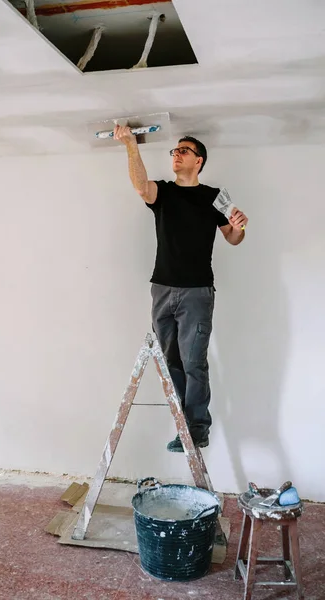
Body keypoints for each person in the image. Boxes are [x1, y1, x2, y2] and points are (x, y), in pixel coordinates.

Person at [114, 126, 248, 451]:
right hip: (161, 289)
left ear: (198, 160)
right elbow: (140, 186)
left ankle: (198, 428)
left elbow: (232, 237)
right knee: (171, 363)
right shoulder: (164, 192)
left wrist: (240, 227)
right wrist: (131, 145)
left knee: (193, 362)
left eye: (184, 150)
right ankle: (183, 429)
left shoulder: (214, 196)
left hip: (197, 292)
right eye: (175, 150)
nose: (176, 154)